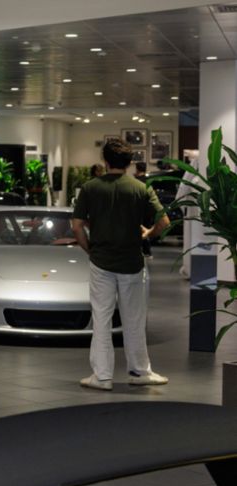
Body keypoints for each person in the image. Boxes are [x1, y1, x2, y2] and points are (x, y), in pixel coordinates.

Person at [72, 139, 170, 391]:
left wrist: (89, 249)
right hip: (131, 263)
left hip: (101, 262)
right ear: (128, 163)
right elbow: (164, 222)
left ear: (105, 162)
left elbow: (77, 226)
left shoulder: (90, 188)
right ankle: (139, 371)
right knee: (134, 319)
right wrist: (148, 234)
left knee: (102, 318)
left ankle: (102, 377)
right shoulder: (140, 188)